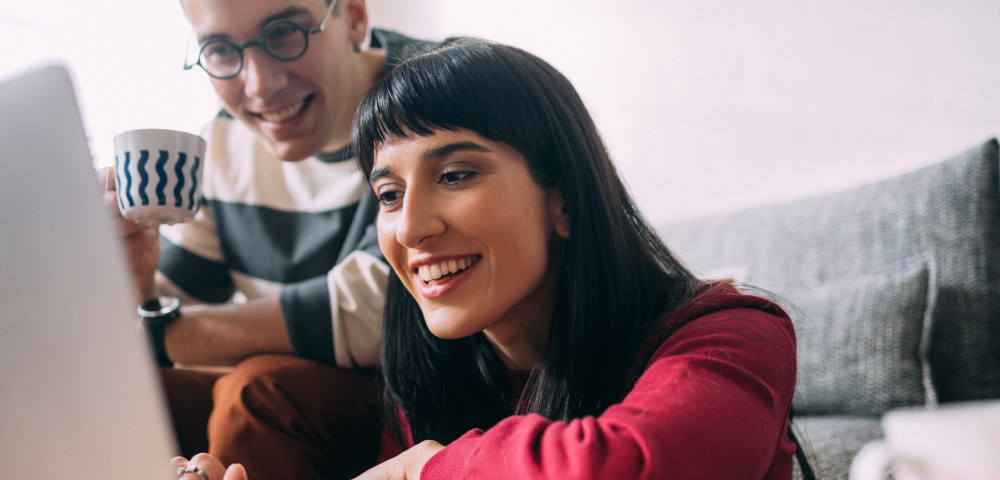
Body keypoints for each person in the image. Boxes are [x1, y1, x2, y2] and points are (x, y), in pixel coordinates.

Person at [171, 38, 799, 480]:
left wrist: (428, 467)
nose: (411, 227)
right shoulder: (431, 377)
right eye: (388, 194)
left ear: (565, 200)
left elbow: (629, 465)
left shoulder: (735, 334)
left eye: (456, 173)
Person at [98, 0, 438, 478]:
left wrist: (158, 333)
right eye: (219, 50)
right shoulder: (221, 142)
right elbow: (174, 313)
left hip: (409, 392)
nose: (258, 85)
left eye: (283, 33)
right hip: (296, 389)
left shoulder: (429, 95)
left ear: (354, 17)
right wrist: (139, 281)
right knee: (131, 393)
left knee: (255, 394)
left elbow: (368, 316)